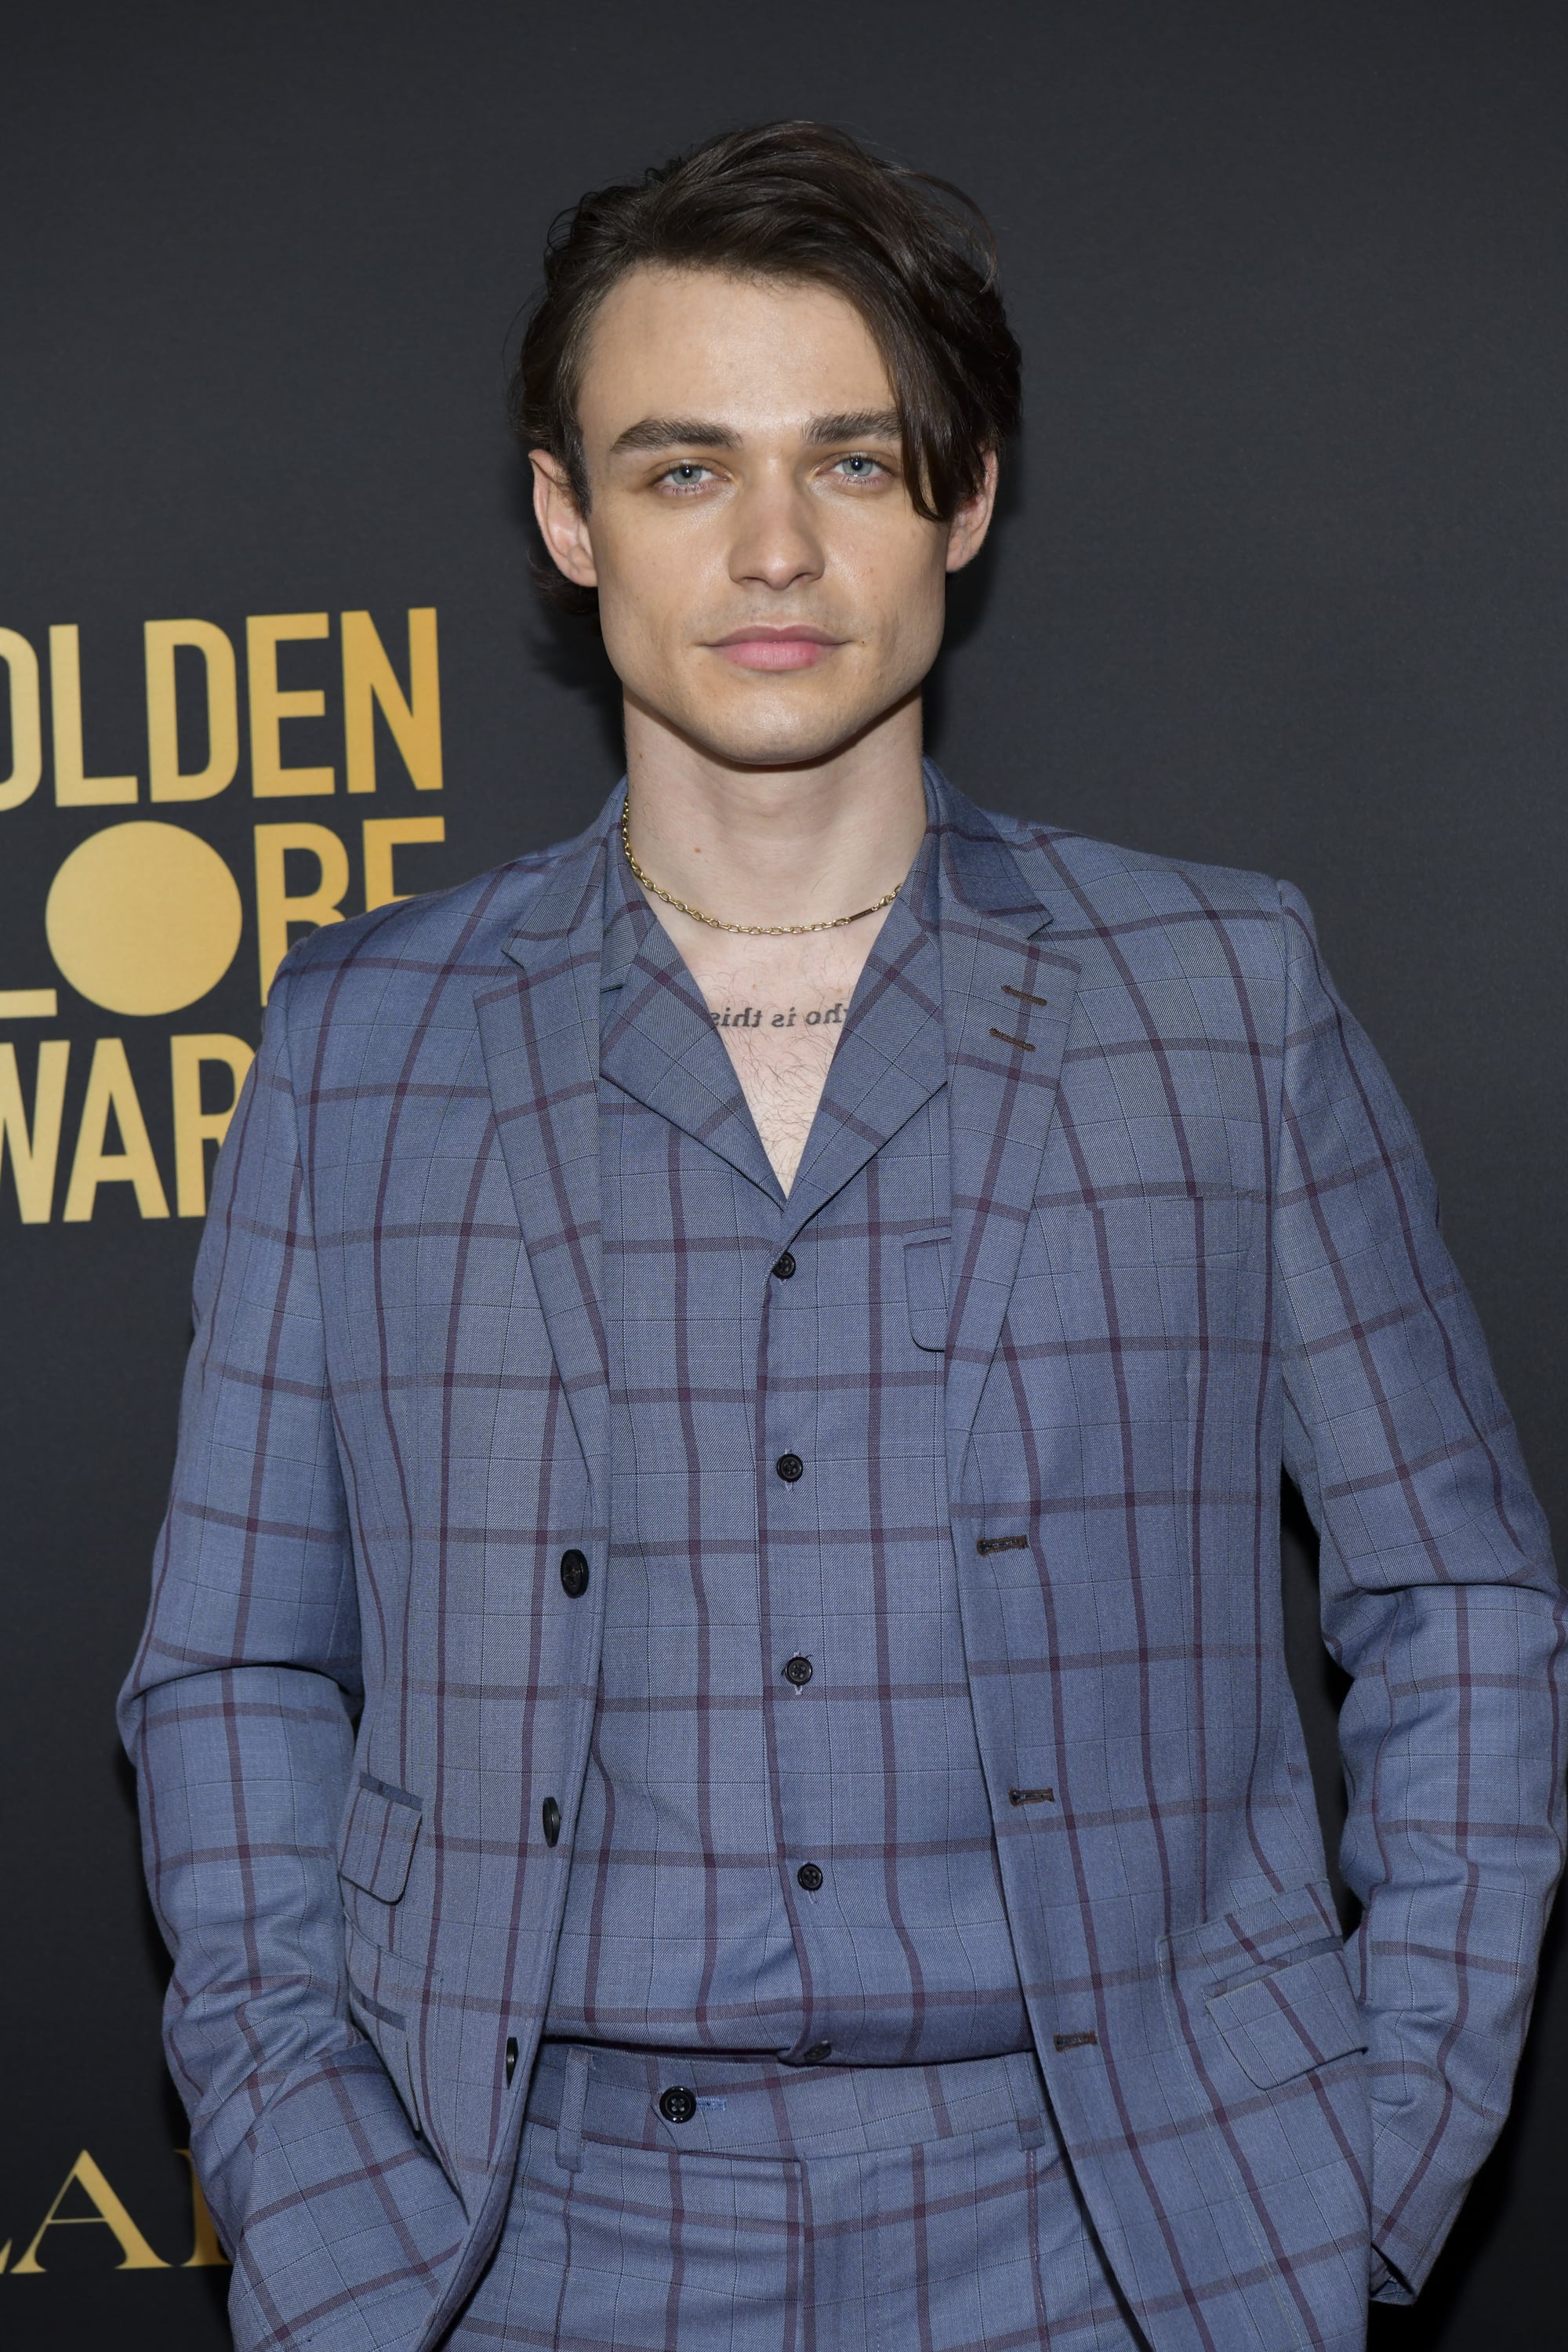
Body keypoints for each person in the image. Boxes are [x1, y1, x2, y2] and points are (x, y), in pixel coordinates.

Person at [120, 120, 1566, 2352]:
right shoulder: (365, 1038)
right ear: (563, 512)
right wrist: (307, 2185)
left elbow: (1457, 1600)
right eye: (684, 467)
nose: (774, 548)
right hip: (513, 2252)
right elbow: (231, 1664)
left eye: (856, 465)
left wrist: (1371, 2158)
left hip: (1134, 2246)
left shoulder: (1218, 1001)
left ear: (963, 503)